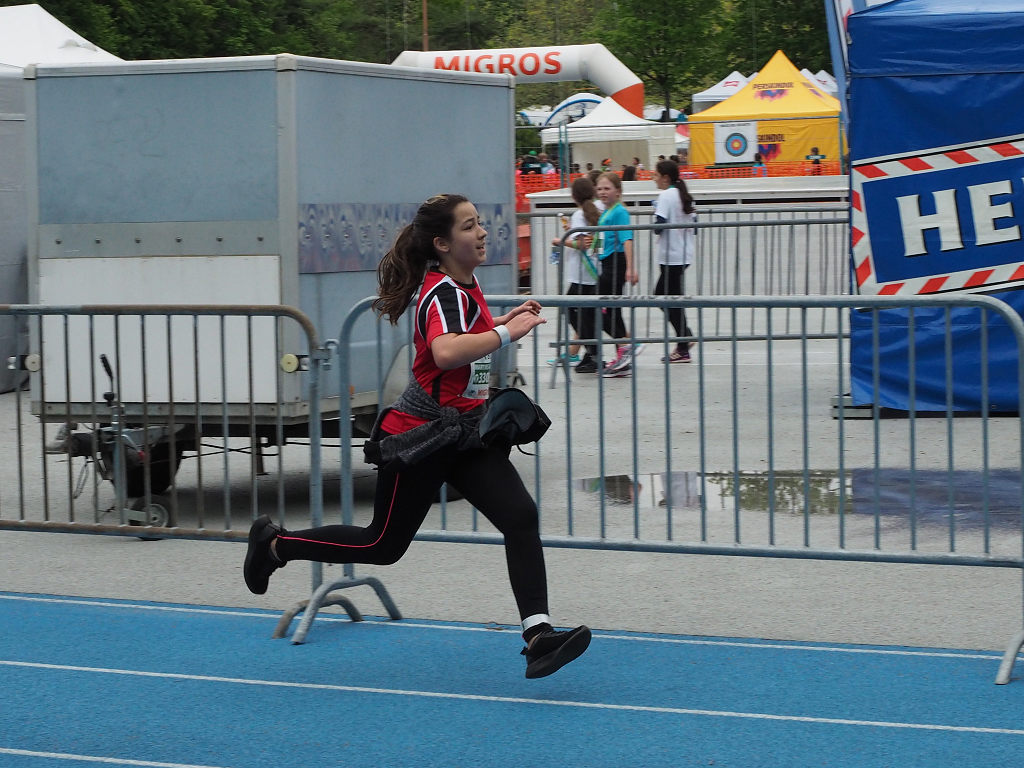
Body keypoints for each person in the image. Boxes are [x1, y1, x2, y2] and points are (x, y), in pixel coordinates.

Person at [243, 193, 591, 679]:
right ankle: (275, 544)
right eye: (469, 226)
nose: (482, 232)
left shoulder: (464, 286)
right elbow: (446, 352)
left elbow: (460, 340)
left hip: (464, 434)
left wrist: (500, 322)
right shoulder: (443, 291)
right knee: (382, 546)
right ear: (442, 244)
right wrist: (507, 334)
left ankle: (538, 636)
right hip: (422, 437)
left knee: (520, 516)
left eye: (479, 223)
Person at [549, 176, 603, 373]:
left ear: (574, 196)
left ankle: (594, 353)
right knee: (586, 315)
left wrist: (560, 240)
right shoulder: (595, 211)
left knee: (572, 311)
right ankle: (591, 353)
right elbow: (593, 242)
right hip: (592, 271)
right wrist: (571, 232)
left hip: (581, 273)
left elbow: (582, 244)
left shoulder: (580, 214)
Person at [592, 172, 639, 377]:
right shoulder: (607, 211)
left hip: (615, 263)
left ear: (618, 191)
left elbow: (627, 240)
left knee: (603, 308)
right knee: (610, 310)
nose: (602, 192)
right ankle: (623, 354)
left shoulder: (620, 212)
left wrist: (630, 268)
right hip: (607, 262)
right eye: (600, 189)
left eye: (607, 188)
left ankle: (625, 347)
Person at [652, 159, 697, 363]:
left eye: (656, 175)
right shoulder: (683, 194)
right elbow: (694, 225)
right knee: (670, 298)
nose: (654, 179)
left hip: (670, 256)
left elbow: (659, 225)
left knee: (663, 297)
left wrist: (654, 225)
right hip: (684, 254)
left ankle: (683, 342)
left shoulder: (665, 195)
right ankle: (684, 337)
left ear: (665, 177)